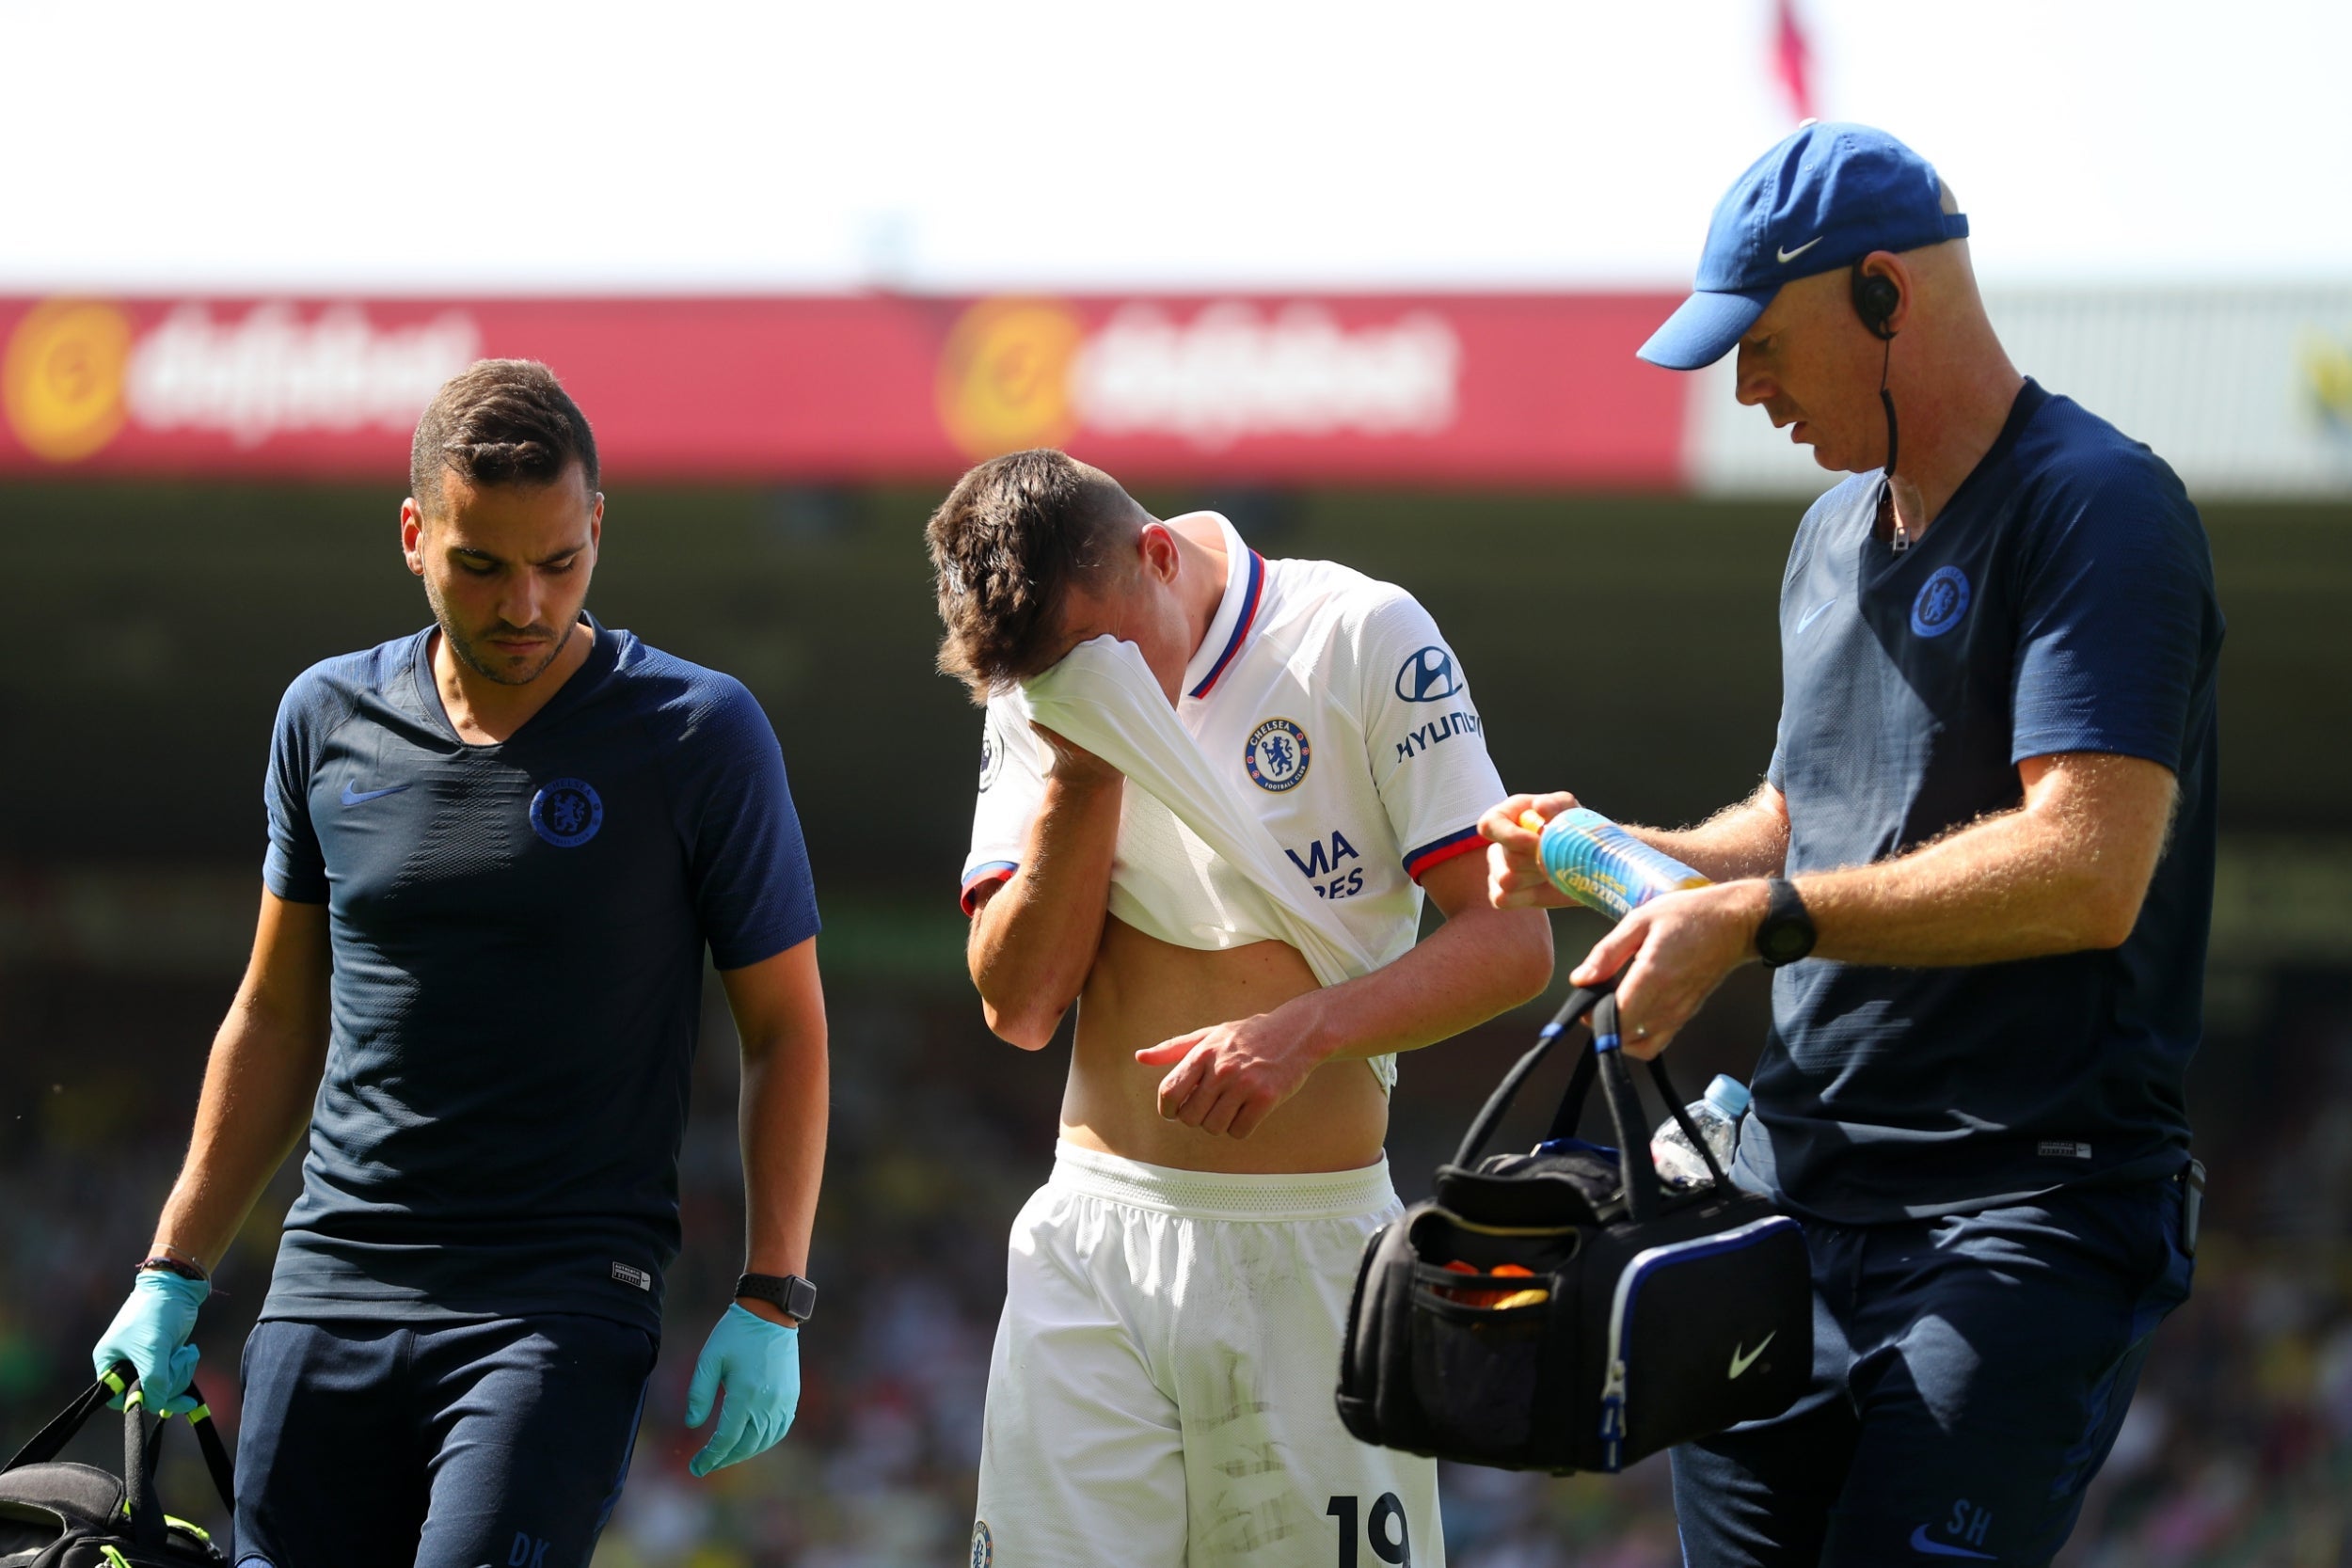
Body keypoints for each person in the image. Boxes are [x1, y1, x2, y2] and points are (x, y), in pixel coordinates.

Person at [1483, 123, 2222, 1567]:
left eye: (1759, 345)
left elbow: (2087, 865)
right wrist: (1631, 854)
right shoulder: (1828, 533)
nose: (1746, 390)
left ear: (1884, 292)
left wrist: (1756, 918)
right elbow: (1795, 812)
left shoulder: (2101, 508)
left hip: (2023, 1215)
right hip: (1792, 1204)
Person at [87, 360, 829, 1568]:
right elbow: (278, 1012)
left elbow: (786, 1028)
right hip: (329, 1285)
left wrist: (773, 1289)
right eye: (482, 565)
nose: (525, 603)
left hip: (560, 1302)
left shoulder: (700, 733)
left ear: (598, 525)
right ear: (413, 534)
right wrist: (174, 1267)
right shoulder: (322, 717)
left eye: (559, 561)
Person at [928, 451, 1551, 1566]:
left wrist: (1302, 1031)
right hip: (1094, 1245)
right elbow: (1019, 1005)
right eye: (1045, 679)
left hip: (1313, 1250)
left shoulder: (1359, 632)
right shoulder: (1044, 686)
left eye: (1085, 660)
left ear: (1158, 557)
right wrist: (1083, 765)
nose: (1073, 689)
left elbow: (1511, 940)